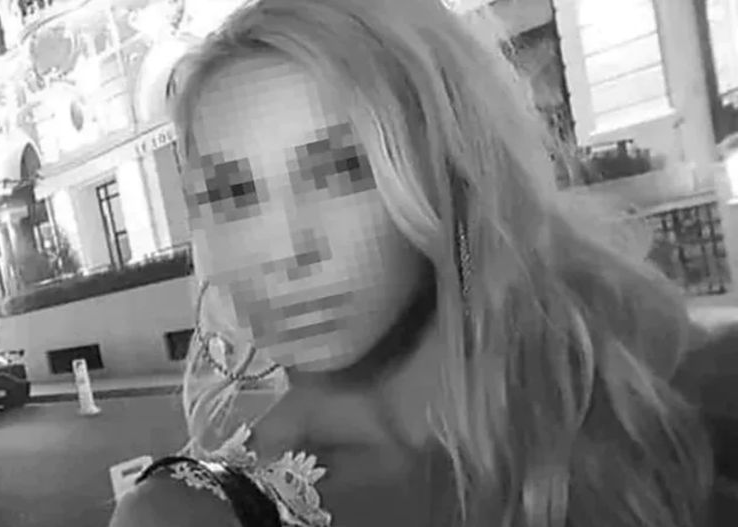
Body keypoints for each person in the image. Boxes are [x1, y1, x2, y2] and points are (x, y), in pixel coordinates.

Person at [110, 1, 720, 526]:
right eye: (235, 195)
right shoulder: (182, 514)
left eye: (341, 171)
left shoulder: (657, 394)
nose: (286, 247)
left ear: (450, 174)